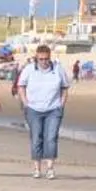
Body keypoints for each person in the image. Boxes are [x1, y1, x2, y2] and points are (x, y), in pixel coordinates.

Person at [13, 42, 71, 179]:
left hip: (53, 109)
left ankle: (50, 167)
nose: (44, 62)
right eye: (41, 59)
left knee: (51, 138)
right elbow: (21, 86)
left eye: (46, 59)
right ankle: (37, 168)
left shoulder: (58, 69)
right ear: (36, 58)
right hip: (33, 109)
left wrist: (61, 105)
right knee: (36, 138)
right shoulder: (29, 69)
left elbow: (64, 88)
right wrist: (25, 102)